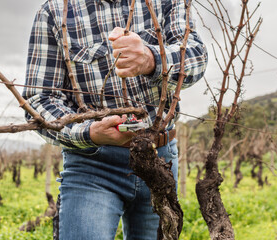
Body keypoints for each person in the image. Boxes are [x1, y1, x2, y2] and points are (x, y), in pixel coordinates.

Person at [22, 0, 207, 239]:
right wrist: (88, 132)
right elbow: (40, 99)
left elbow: (196, 56)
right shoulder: (56, 11)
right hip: (92, 163)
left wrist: (151, 59)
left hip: (161, 158)